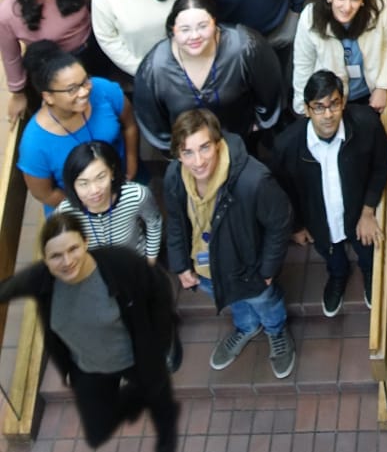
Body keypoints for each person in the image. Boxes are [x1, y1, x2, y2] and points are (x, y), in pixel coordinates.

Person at [0, 213, 179, 452]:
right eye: (55, 256)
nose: (66, 261)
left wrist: (160, 343)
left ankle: (159, 422)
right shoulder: (42, 279)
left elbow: (160, 290)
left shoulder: (119, 264)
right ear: (45, 259)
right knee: (97, 432)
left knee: (160, 403)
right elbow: (7, 289)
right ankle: (137, 396)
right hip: (88, 366)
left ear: (85, 242)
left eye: (73, 249)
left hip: (136, 359)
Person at [164, 109, 295, 377]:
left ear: (218, 142)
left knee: (264, 301)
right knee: (234, 300)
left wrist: (267, 270)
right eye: (188, 152)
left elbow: (280, 223)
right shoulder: (175, 177)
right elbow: (176, 221)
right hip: (206, 266)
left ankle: (275, 330)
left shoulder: (253, 179)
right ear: (178, 154)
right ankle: (246, 327)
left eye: (204, 148)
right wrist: (180, 265)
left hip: (248, 266)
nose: (197, 161)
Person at [272, 69, 387, 317]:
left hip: (358, 213)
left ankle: (368, 272)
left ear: (344, 102)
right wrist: (296, 226)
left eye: (334, 104)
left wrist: (368, 211)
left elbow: (381, 166)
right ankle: (338, 275)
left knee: (366, 250)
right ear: (306, 109)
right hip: (319, 219)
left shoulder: (366, 125)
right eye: (319, 107)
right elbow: (282, 191)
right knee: (331, 254)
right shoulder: (287, 145)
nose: (328, 115)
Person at [132, 0, 284, 152]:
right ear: (173, 30)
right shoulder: (154, 68)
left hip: (239, 143)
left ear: (215, 23)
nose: (194, 36)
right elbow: (152, 123)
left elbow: (270, 89)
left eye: (203, 26)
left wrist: (259, 124)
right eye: (185, 30)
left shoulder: (244, 47)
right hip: (190, 154)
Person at [18, 44, 137, 210]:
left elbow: (129, 125)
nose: (84, 92)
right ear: (48, 96)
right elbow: (45, 194)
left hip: (123, 178)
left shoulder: (103, 90)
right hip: (78, 206)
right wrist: (91, 204)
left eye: (85, 81)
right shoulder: (34, 144)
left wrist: (131, 165)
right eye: (72, 89)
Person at [0, 0, 92, 125]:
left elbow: (93, 5)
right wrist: (17, 93)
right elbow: (11, 56)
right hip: (51, 69)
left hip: (90, 52)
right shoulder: (9, 11)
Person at [291, 0, 387, 116]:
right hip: (328, 101)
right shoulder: (310, 17)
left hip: (367, 95)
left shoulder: (381, 7)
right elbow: (303, 64)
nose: (347, 7)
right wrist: (303, 109)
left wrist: (382, 86)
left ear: (363, 0)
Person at [56, 141, 163, 261]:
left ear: (112, 172)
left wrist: (150, 262)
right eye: (83, 183)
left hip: (135, 265)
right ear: (73, 185)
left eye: (101, 177)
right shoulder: (65, 212)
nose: (94, 190)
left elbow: (154, 223)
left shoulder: (136, 195)